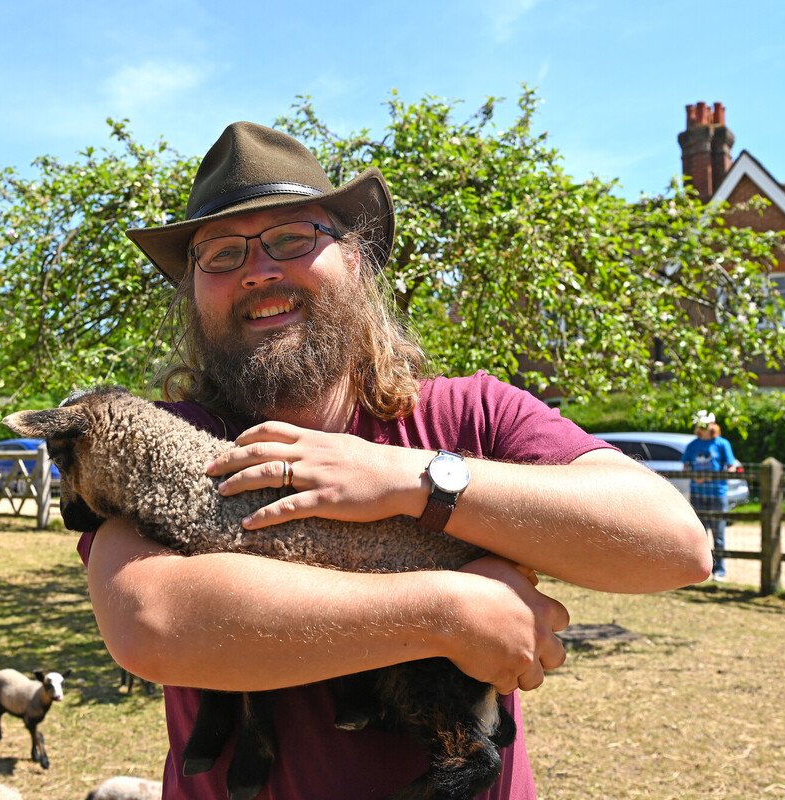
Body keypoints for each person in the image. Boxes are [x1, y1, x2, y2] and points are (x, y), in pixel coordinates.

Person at [83, 121, 711, 799]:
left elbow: (675, 547)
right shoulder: (164, 439)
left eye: (291, 239)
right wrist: (448, 610)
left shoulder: (472, 414)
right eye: (221, 253)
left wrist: (412, 479)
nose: (258, 270)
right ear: (193, 291)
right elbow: (150, 623)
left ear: (355, 259)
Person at [684, 411, 736, 580]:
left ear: (713, 425)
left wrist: (718, 477)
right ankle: (700, 571)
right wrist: (695, 477)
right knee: (699, 535)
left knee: (718, 534)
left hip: (717, 494)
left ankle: (719, 570)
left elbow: (731, 466)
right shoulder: (692, 445)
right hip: (697, 494)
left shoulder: (722, 444)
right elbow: (686, 466)